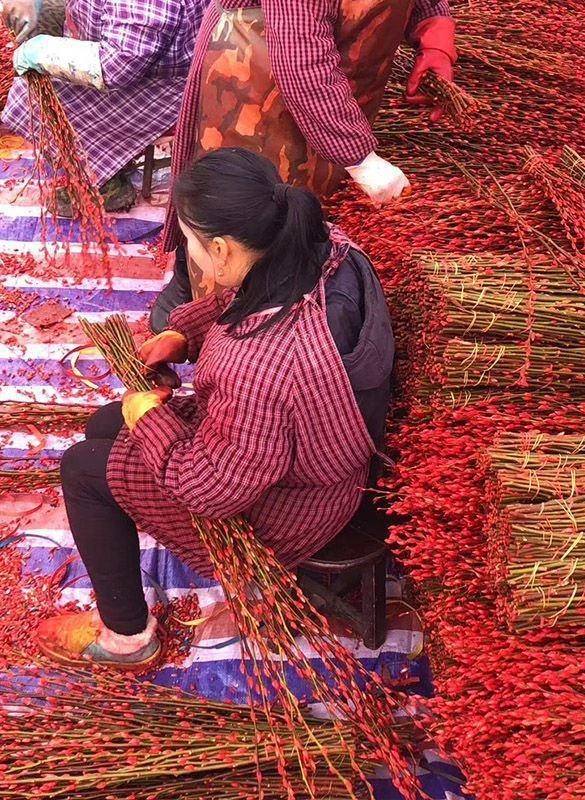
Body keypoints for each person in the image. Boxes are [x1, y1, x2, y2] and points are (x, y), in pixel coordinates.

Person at [36, 147, 395, 669]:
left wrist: (150, 420)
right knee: (106, 423)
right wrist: (183, 334)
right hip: (307, 456)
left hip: (291, 512)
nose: (189, 252)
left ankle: (127, 637)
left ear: (222, 250)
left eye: (189, 242)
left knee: (82, 469)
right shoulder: (320, 246)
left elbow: (213, 489)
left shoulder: (262, 366)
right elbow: (239, 301)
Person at [150, 0, 456, 331]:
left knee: (295, 216)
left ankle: (270, 318)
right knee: (243, 211)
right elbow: (303, 64)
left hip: (329, 83)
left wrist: (432, 29)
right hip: (259, 72)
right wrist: (361, 160)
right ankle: (209, 316)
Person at [1, 0, 207, 214]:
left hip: (164, 86)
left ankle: (104, 186)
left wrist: (42, 52)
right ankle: (103, 161)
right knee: (44, 45)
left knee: (28, 96)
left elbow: (119, 65)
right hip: (135, 60)